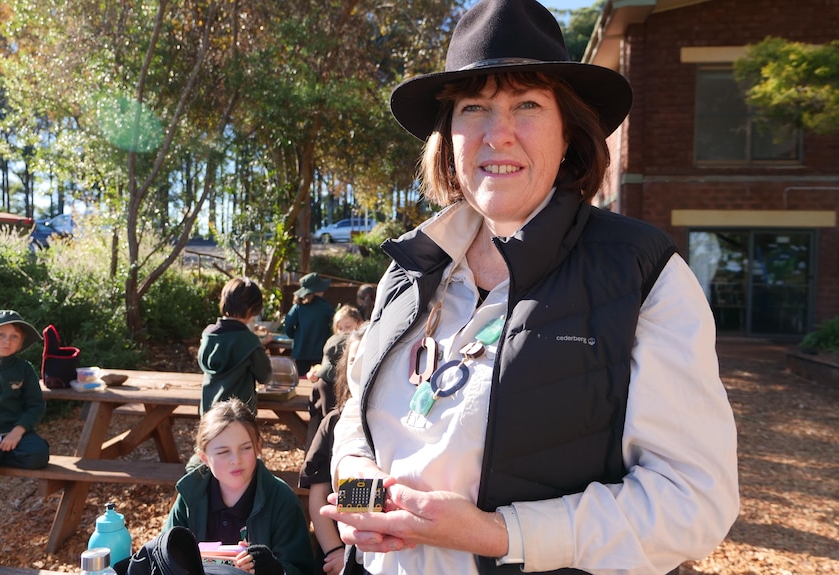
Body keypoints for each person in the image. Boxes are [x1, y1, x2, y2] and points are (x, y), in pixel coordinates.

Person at [319, 0, 740, 574]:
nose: (499, 134)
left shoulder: (642, 274)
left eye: (528, 104)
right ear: (448, 136)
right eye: (474, 108)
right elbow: (356, 423)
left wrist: (500, 533)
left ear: (568, 132)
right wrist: (359, 493)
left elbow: (693, 501)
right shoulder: (409, 269)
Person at [164, 398, 314, 575]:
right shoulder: (190, 496)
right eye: (223, 452)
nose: (236, 460)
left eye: (245, 448)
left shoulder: (282, 500)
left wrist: (275, 569)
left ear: (258, 447)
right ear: (204, 457)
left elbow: (303, 569)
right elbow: (163, 556)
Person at [300, 327, 364, 575]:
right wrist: (336, 550)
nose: (360, 368)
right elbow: (319, 495)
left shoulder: (398, 425)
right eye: (353, 361)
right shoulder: (335, 424)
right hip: (341, 550)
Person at [0, 309, 50, 517]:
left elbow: (35, 405)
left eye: (14, 337)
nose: (7, 341)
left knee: (38, 455)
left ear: (21, 342)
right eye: (0, 334)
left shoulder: (24, 369)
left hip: (15, 435)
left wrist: (18, 431)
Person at [198, 277, 273, 416]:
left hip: (210, 413)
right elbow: (265, 375)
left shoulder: (208, 335)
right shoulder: (249, 340)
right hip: (238, 415)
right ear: (250, 309)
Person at [305, 305, 364, 449]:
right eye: (340, 328)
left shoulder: (359, 345)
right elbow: (326, 366)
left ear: (359, 325)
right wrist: (317, 372)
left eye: (348, 327)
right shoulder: (333, 342)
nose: (343, 332)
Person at [283, 273, 335, 376]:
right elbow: (335, 323)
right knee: (318, 379)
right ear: (318, 290)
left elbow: (288, 325)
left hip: (300, 352)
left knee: (300, 381)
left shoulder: (298, 307)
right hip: (319, 353)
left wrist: (296, 336)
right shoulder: (325, 307)